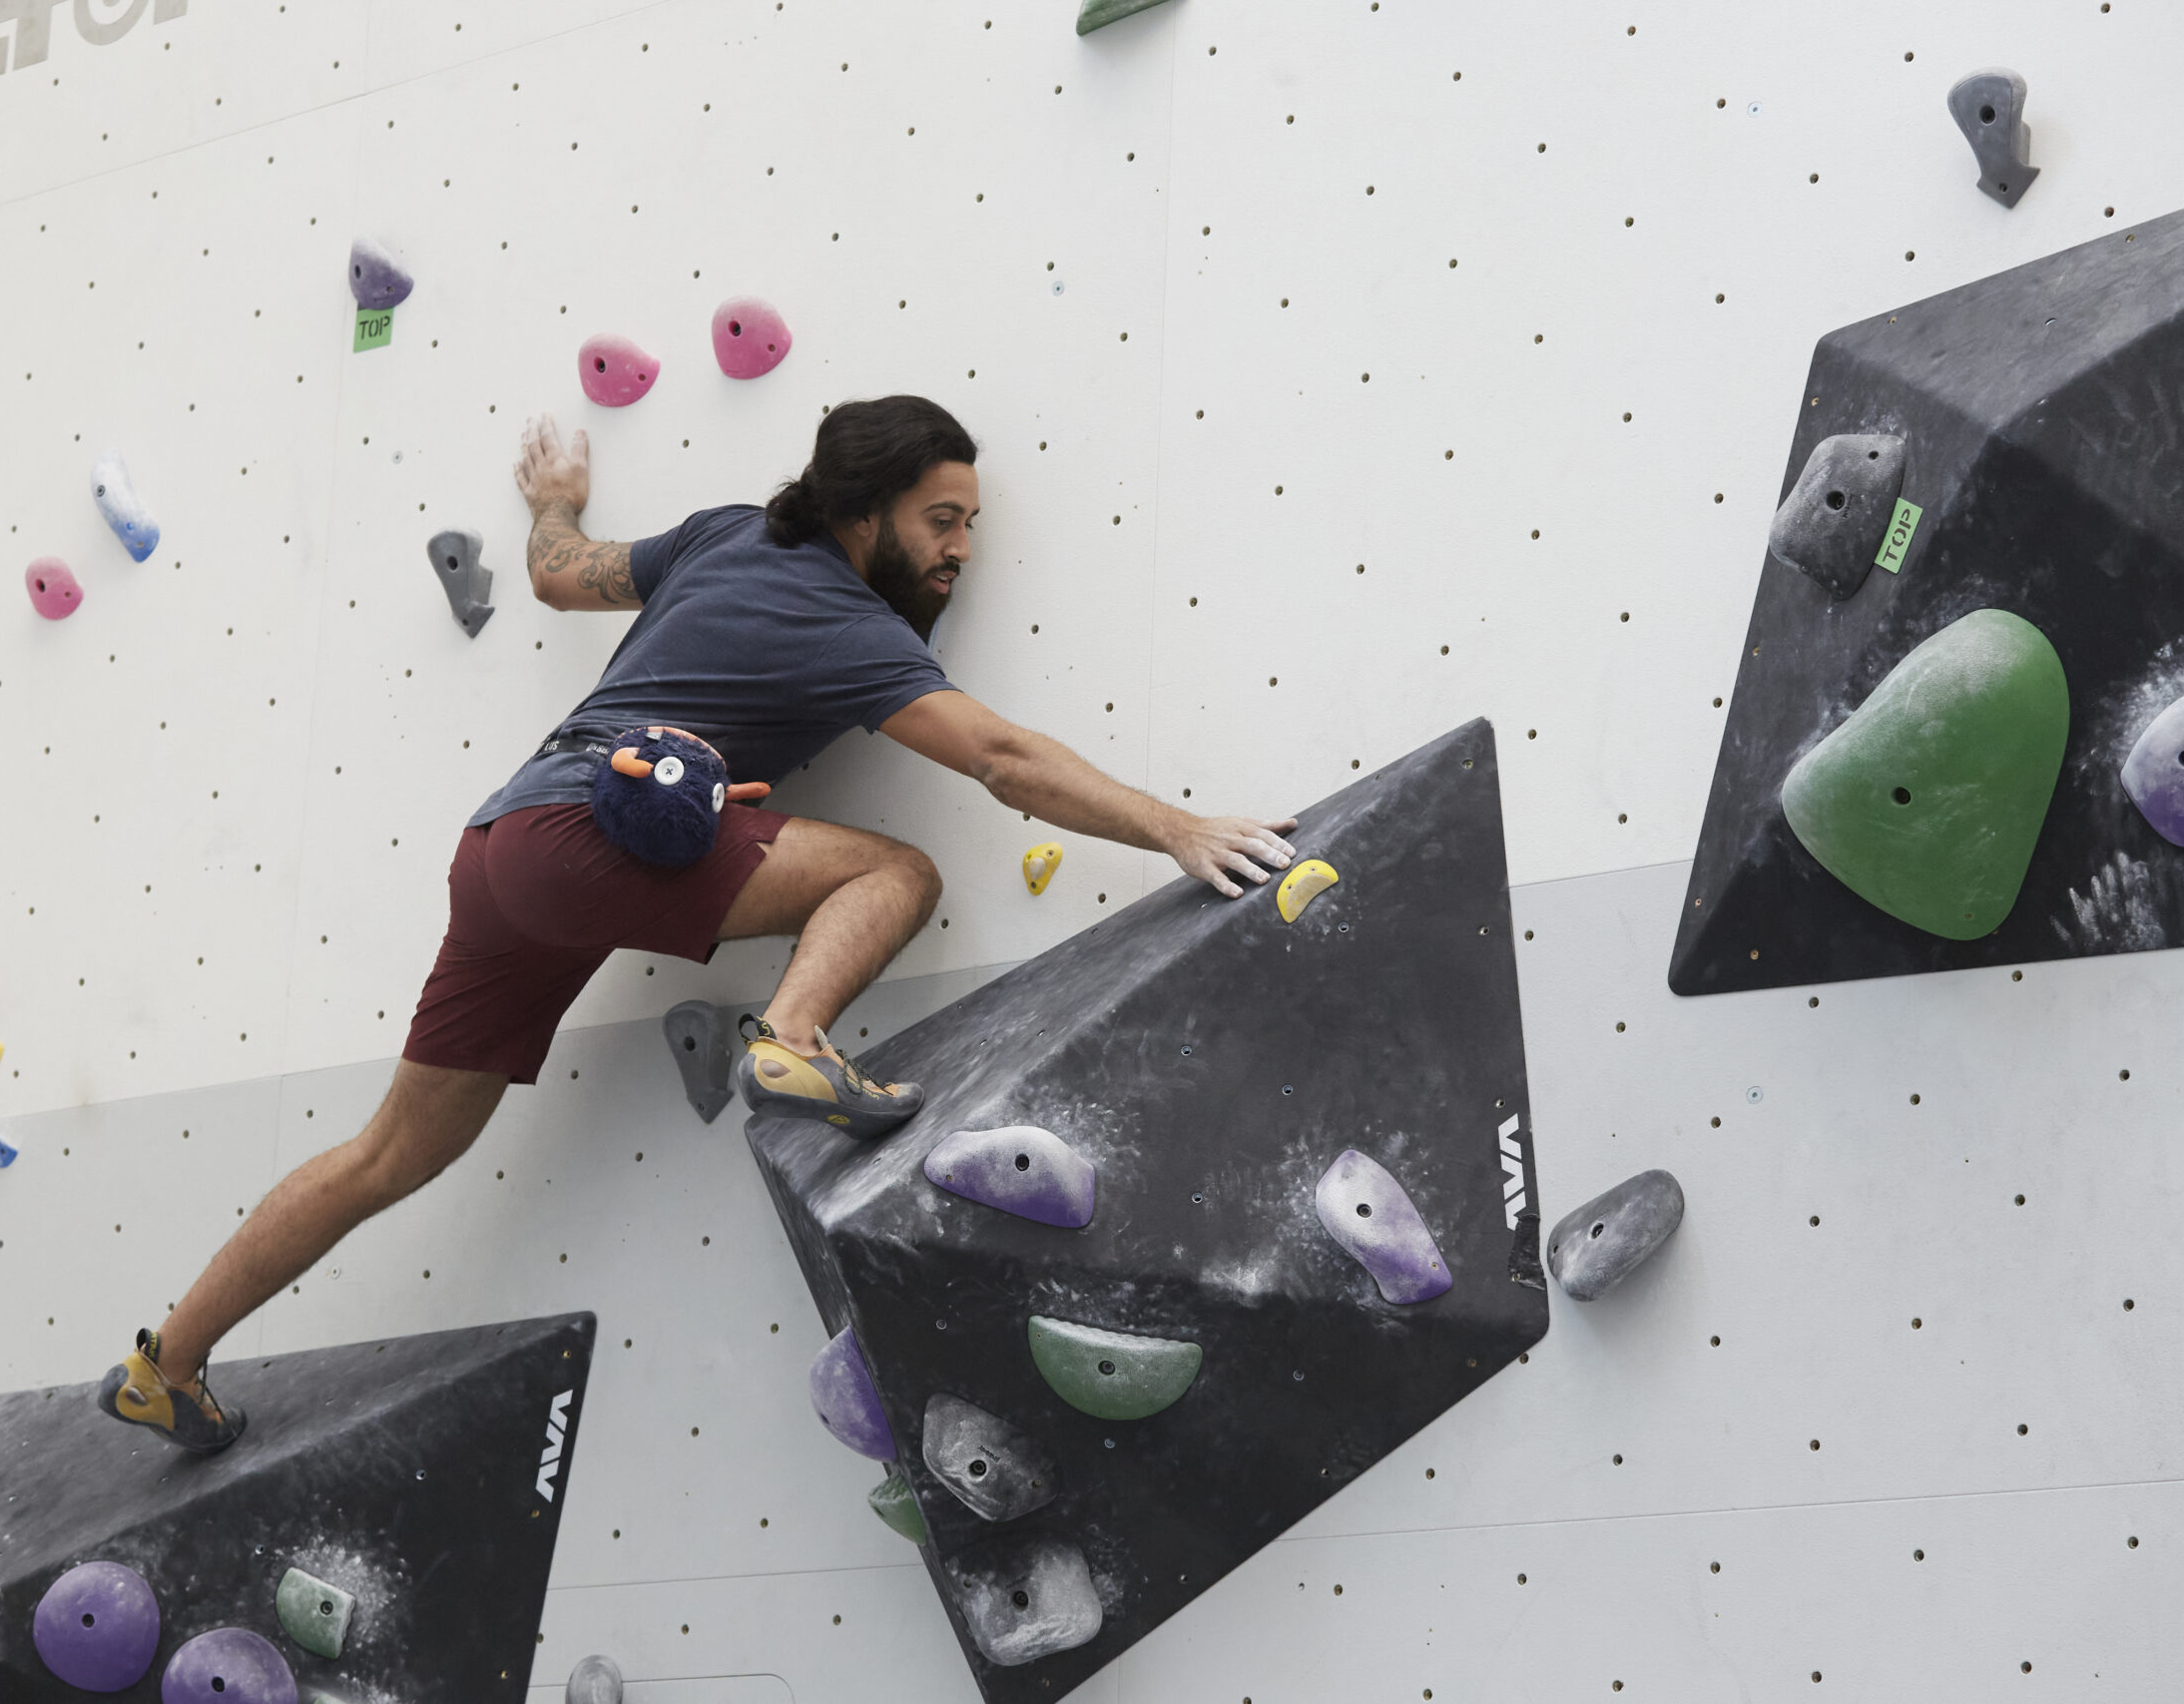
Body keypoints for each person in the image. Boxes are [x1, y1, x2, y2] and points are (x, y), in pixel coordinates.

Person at [97, 395, 1298, 1452]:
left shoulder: (723, 534)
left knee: (394, 1153)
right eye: (942, 521)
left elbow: (563, 573)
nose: (962, 550)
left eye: (970, 526)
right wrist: (1176, 828)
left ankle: (168, 1365)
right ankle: (794, 1037)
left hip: (503, 849)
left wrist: (555, 503)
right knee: (891, 875)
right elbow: (996, 755)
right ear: (864, 510)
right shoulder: (843, 621)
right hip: (587, 839)